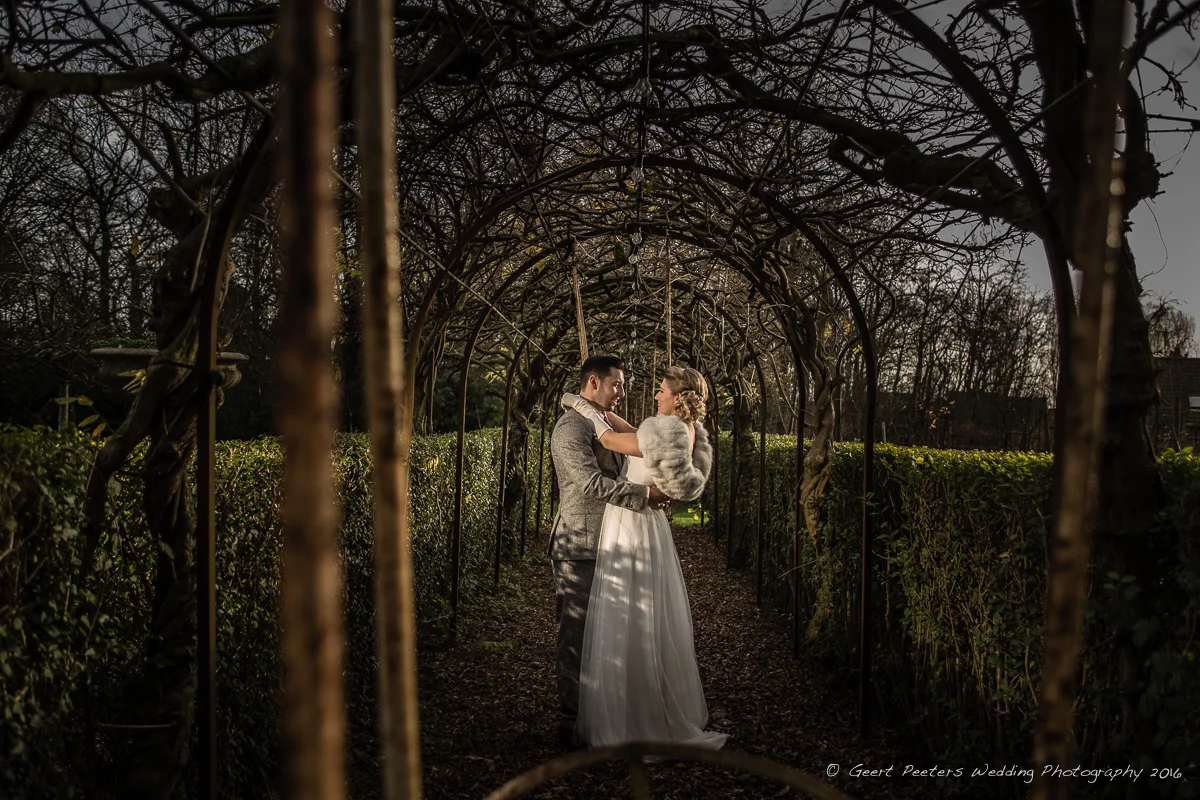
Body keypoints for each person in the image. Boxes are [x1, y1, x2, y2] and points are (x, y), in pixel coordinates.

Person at [561, 365, 728, 752]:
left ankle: (636, 716)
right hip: (648, 526)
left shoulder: (663, 431)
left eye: (662, 390)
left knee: (629, 616)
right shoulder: (679, 431)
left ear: (678, 397)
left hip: (632, 523)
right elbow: (632, 430)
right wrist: (591, 405)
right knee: (645, 614)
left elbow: (609, 438)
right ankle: (642, 705)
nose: (656, 396)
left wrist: (577, 404)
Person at [547, 355, 672, 750]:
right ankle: (571, 726)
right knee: (577, 636)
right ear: (594, 383)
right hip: (579, 545)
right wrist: (643, 495)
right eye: (617, 384)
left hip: (611, 542)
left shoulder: (599, 423)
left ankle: (602, 717)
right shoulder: (570, 427)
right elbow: (588, 484)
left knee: (607, 636)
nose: (622, 392)